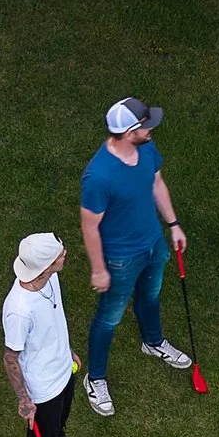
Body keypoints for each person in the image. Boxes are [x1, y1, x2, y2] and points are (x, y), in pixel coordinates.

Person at [79, 96, 192, 416]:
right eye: (146, 124)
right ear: (129, 132)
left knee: (151, 295)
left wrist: (173, 225)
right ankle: (95, 378)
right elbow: (89, 227)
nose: (152, 127)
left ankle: (152, 342)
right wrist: (99, 269)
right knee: (109, 317)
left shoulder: (145, 149)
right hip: (120, 259)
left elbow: (156, 183)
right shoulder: (99, 176)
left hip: (153, 244)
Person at [3, 231, 100, 437]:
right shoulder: (19, 309)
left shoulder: (51, 279)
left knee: (59, 425)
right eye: (60, 253)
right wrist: (24, 400)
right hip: (42, 388)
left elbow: (54, 320)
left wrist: (66, 350)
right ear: (45, 265)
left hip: (62, 371)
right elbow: (10, 357)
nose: (65, 253)